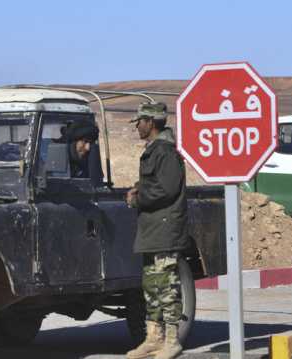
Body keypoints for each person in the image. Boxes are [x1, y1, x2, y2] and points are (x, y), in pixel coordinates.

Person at [125, 102, 189, 359]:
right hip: (153, 229)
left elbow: (167, 188)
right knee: (151, 286)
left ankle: (172, 340)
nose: (137, 126)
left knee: (166, 285)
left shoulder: (165, 152)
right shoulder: (155, 151)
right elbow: (156, 184)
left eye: (140, 121)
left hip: (165, 228)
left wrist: (138, 197)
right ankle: (154, 338)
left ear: (151, 122)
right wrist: (138, 188)